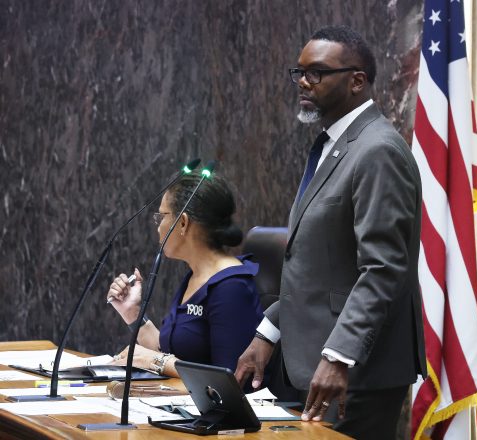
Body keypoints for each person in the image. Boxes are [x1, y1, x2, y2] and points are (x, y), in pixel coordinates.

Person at [234, 25, 427, 440]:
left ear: (357, 80)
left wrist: (340, 356)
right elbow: (316, 265)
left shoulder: (377, 151)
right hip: (319, 363)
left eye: (317, 73)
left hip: (357, 373)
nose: (304, 82)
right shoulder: (333, 145)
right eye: (299, 72)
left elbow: (382, 269)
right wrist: (268, 331)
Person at [106, 172, 263, 377]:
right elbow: (171, 352)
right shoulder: (195, 276)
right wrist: (132, 313)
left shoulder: (231, 287)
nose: (158, 227)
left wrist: (157, 362)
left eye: (161, 217)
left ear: (182, 223)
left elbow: (228, 380)